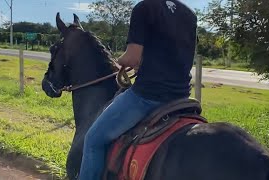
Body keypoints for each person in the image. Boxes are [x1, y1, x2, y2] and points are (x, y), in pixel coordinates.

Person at [79, 0, 198, 179]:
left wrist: (121, 60)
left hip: (148, 96)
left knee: (93, 140)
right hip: (182, 99)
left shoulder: (144, 7)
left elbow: (132, 58)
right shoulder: (190, 14)